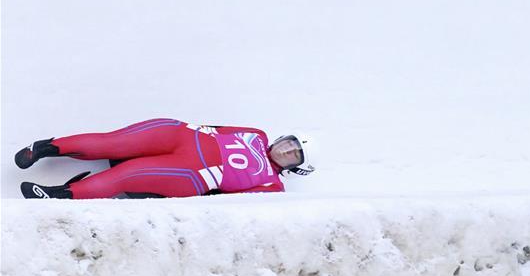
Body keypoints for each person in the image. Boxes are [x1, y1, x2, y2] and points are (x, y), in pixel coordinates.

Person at [14, 118, 315, 199]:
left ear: (295, 168)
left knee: (127, 175)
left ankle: (58, 195)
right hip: (183, 136)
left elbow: (231, 200)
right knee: (115, 143)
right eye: (289, 143)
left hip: (193, 174)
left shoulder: (272, 187)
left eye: (293, 155)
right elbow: (218, 127)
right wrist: (185, 128)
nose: (287, 151)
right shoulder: (257, 134)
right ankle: (43, 148)